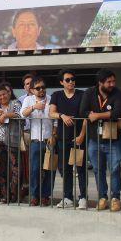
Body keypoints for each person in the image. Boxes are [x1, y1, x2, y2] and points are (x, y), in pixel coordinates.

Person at [80, 68, 121, 212]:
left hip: (113, 139)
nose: (112, 84)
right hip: (94, 139)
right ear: (100, 82)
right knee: (98, 170)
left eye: (113, 81)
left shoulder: (118, 93)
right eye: (109, 82)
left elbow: (117, 112)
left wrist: (97, 115)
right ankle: (102, 197)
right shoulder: (89, 93)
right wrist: (94, 114)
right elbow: (83, 111)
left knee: (115, 169)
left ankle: (115, 198)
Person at [49, 69, 88, 209]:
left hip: (78, 138)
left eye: (73, 79)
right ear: (62, 82)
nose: (71, 81)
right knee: (65, 169)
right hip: (63, 137)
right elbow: (51, 113)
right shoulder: (57, 95)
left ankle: (83, 197)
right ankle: (67, 197)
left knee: (81, 168)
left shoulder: (82, 94)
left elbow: (86, 116)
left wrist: (82, 135)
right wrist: (62, 115)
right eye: (67, 80)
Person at [21, 77, 54, 206]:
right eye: (38, 88)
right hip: (35, 139)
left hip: (49, 139)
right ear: (32, 90)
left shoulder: (51, 99)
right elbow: (22, 114)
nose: (41, 90)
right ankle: (34, 195)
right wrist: (34, 107)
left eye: (43, 87)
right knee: (34, 169)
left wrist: (54, 134)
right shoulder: (28, 100)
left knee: (49, 168)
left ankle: (45, 195)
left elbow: (55, 119)